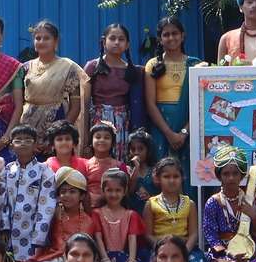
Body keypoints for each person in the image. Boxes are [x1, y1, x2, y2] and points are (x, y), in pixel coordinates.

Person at [0, 123, 58, 262]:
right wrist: (3, 227)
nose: (23, 143)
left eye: (27, 139)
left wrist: (39, 239)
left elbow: (46, 207)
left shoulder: (45, 171)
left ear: (36, 144)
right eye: (18, 140)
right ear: (12, 146)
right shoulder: (7, 170)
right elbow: (1, 201)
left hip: (33, 234)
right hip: (10, 234)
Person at [143, 17, 199, 163]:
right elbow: (150, 104)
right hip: (162, 125)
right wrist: (169, 133)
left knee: (189, 170)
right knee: (163, 169)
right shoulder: (153, 64)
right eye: (166, 35)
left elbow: (200, 104)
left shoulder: (196, 64)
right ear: (160, 39)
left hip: (190, 124)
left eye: (175, 33)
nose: (171, 38)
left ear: (182, 35)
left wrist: (184, 132)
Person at [20, 20, 87, 135]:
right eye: (38, 38)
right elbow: (19, 102)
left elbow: (76, 106)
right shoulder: (26, 67)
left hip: (57, 123)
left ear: (56, 41)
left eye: (46, 38)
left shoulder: (68, 67)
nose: (41, 42)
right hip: (28, 129)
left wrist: (62, 132)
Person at [82, 24, 145, 141]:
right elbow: (84, 104)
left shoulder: (134, 71)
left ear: (127, 45)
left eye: (121, 39)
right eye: (112, 38)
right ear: (103, 42)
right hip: (97, 124)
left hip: (123, 125)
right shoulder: (92, 67)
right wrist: (85, 135)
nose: (116, 42)